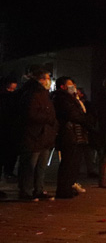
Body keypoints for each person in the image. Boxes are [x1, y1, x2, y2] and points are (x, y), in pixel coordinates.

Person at [17, 70, 57, 201]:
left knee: (41, 166)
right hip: (34, 135)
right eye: (47, 78)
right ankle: (26, 191)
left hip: (44, 135)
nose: (49, 81)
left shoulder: (44, 94)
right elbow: (31, 114)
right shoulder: (32, 94)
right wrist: (48, 118)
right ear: (41, 80)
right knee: (30, 166)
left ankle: (38, 189)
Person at [52, 77, 92, 198]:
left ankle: (68, 186)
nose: (73, 87)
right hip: (69, 134)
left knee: (74, 163)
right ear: (62, 86)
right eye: (70, 84)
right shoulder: (61, 98)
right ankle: (63, 190)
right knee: (68, 163)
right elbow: (72, 114)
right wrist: (85, 119)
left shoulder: (72, 98)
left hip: (76, 134)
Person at [0, 77, 21, 184]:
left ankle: (8, 171)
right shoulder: (7, 98)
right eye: (10, 89)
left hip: (11, 131)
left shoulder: (15, 98)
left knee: (11, 154)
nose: (11, 91)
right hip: (5, 130)